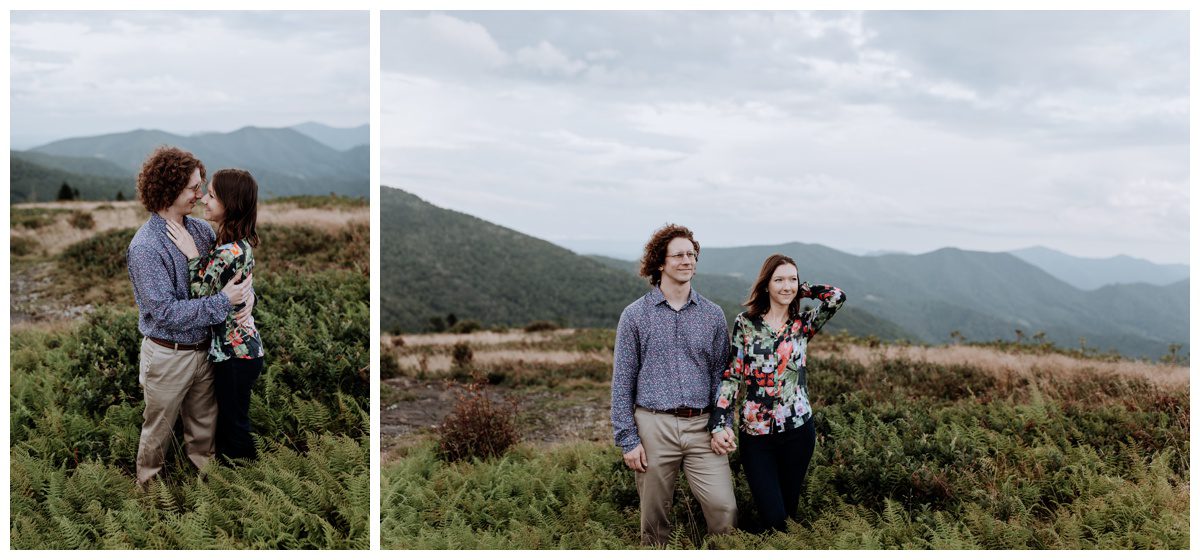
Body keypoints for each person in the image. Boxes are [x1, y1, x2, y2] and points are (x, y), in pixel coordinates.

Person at [126, 146, 254, 488]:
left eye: (201, 187)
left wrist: (245, 299)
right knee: (157, 433)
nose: (200, 195)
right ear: (169, 191)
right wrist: (223, 303)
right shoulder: (146, 247)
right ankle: (148, 494)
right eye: (193, 188)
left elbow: (226, 277)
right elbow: (165, 313)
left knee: (203, 433)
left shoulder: (201, 231)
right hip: (168, 355)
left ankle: (206, 495)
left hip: (205, 351)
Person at [611, 223, 736, 546]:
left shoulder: (712, 315)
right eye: (678, 255)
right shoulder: (635, 316)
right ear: (660, 263)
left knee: (724, 508)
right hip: (653, 426)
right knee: (654, 521)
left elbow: (722, 377)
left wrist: (722, 424)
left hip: (702, 427)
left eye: (691, 254)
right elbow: (622, 381)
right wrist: (627, 439)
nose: (687, 260)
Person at [708, 253, 845, 532]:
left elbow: (836, 297)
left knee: (787, 517)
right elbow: (732, 376)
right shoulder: (746, 323)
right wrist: (720, 422)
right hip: (757, 436)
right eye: (779, 279)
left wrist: (803, 289)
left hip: (798, 431)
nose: (786, 286)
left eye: (791, 279)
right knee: (773, 517)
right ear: (766, 284)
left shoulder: (803, 324)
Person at [165, 168, 265, 463]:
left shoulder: (226, 251)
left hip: (235, 355)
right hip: (242, 352)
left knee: (234, 428)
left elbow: (199, 296)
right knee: (231, 422)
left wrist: (191, 253)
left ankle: (246, 486)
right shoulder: (237, 244)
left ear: (229, 204)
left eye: (212, 195)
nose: (204, 200)